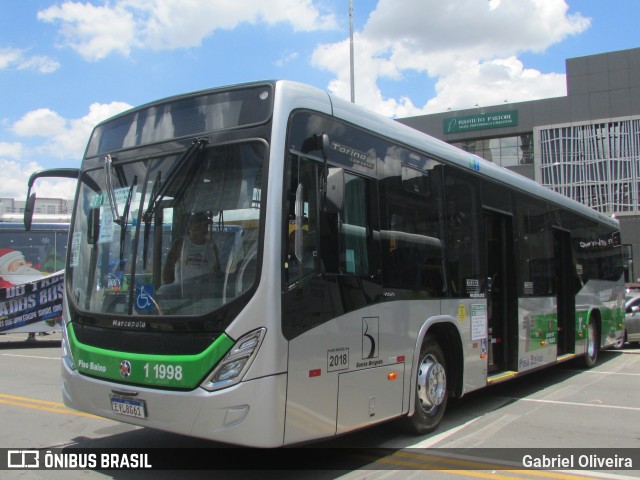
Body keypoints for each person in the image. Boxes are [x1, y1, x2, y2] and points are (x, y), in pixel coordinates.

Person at [162, 213, 221, 286]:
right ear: (190, 227)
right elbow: (168, 272)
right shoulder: (180, 243)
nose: (203, 229)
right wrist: (172, 291)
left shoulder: (212, 246)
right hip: (183, 291)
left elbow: (217, 272)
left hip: (205, 292)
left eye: (205, 226)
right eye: (198, 226)